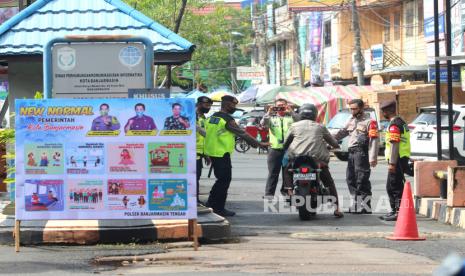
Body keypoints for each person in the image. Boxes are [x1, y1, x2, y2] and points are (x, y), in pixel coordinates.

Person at [204, 95, 269, 216]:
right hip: (221, 153)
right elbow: (243, 133)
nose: (234, 107)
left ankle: (211, 203)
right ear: (227, 104)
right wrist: (259, 144)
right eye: (233, 105)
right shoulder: (227, 120)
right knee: (224, 181)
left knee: (220, 180)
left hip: (212, 152)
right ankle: (218, 207)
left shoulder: (213, 117)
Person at [282, 104, 343, 218]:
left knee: (287, 170)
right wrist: (335, 145)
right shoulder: (320, 127)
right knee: (328, 182)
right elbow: (332, 142)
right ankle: (337, 208)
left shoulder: (294, 126)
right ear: (315, 115)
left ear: (300, 114)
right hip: (317, 160)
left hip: (297, 159)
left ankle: (290, 192)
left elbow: (286, 143)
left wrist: (284, 147)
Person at [333, 99, 379, 214]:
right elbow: (343, 132)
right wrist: (329, 140)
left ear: (361, 108)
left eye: (354, 109)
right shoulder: (351, 119)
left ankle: (366, 206)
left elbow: (374, 140)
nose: (352, 111)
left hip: (361, 153)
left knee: (362, 179)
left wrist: (373, 157)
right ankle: (356, 204)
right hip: (351, 152)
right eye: (351, 109)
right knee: (350, 179)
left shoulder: (370, 121)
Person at [379, 100, 411, 221]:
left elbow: (394, 144)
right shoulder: (401, 122)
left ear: (387, 111)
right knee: (391, 186)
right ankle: (394, 210)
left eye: (383, 112)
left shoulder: (394, 125)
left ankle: (398, 212)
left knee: (395, 186)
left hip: (396, 159)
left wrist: (392, 163)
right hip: (401, 158)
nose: (383, 114)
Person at [261, 98, 296, 197]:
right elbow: (263, 124)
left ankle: (286, 192)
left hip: (289, 149)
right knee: (273, 173)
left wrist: (291, 111)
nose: (280, 108)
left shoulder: (291, 117)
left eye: (283, 106)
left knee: (288, 172)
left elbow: (299, 121)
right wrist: (268, 112)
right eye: (278, 106)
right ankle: (269, 194)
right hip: (275, 148)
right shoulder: (271, 117)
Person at [195, 96, 213, 204]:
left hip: (200, 153)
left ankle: (195, 199)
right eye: (206, 105)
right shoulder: (192, 116)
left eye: (210, 106)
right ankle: (194, 200)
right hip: (192, 152)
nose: (208, 108)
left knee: (197, 177)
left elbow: (203, 139)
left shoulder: (203, 117)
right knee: (194, 178)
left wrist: (206, 154)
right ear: (199, 104)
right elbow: (202, 133)